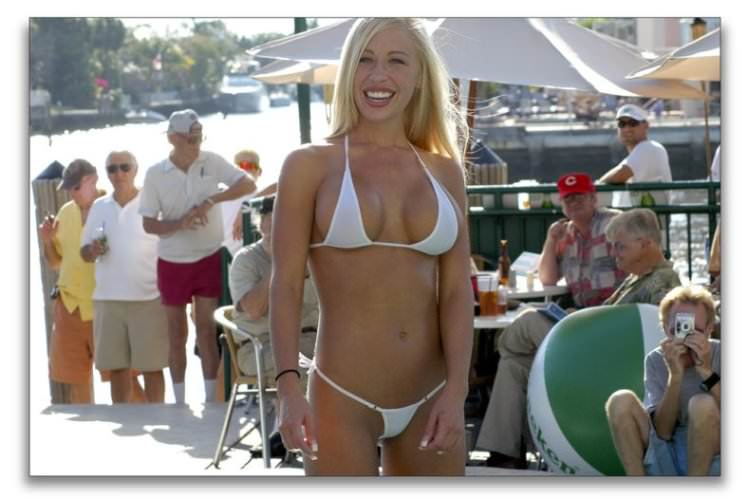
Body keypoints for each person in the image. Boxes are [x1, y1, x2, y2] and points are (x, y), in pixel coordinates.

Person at [270, 18, 473, 475]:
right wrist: (287, 388)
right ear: (347, 72)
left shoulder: (444, 171)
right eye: (365, 59)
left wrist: (457, 390)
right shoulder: (309, 165)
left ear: (419, 76)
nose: (378, 75)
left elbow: (456, 291)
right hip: (342, 395)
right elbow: (285, 285)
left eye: (396, 61)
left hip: (432, 393)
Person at [477, 203, 680, 469]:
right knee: (513, 365)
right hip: (591, 351)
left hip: (604, 359)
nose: (614, 254)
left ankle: (489, 357)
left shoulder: (663, 281)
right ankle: (505, 454)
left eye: (620, 247)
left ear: (646, 244)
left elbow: (652, 331)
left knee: (528, 320)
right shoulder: (637, 278)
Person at [139, 109, 257, 405]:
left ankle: (210, 401)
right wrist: (180, 223)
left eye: (200, 137)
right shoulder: (155, 173)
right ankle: (179, 403)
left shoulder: (211, 161)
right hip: (172, 262)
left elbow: (249, 184)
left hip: (208, 256)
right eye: (191, 139)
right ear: (172, 139)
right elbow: (148, 224)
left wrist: (211, 200)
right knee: (176, 333)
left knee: (206, 330)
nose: (197, 144)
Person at [228, 194, 318, 448]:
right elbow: (254, 310)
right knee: (309, 372)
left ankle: (355, 439)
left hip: (310, 340)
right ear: (262, 224)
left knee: (355, 366)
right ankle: (297, 438)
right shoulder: (246, 260)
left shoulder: (311, 257)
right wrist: (281, 263)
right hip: (262, 346)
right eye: (274, 219)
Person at [80, 151, 169, 403]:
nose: (118, 173)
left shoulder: (153, 203)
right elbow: (84, 252)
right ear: (106, 174)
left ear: (135, 170)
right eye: (112, 169)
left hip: (148, 298)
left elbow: (171, 247)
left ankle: (157, 418)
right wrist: (91, 250)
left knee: (153, 368)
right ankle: (123, 418)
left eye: (124, 167)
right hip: (108, 300)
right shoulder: (99, 206)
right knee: (117, 369)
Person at [606, 285, 720, 476]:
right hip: (669, 447)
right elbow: (663, 431)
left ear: (709, 329)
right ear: (666, 329)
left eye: (695, 330)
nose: (686, 336)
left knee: (702, 404)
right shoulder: (656, 359)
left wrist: (707, 372)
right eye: (679, 328)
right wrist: (675, 376)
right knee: (620, 400)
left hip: (715, 450)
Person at [598, 104, 673, 207]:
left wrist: (595, 186)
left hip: (644, 217)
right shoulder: (635, 157)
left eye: (633, 123)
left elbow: (619, 175)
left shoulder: (650, 147)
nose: (627, 129)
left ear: (646, 125)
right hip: (634, 216)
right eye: (622, 124)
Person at [222, 149, 278, 255]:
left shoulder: (261, 197)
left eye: (251, 166)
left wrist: (246, 207)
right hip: (220, 259)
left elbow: (283, 183)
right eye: (241, 166)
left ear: (259, 171)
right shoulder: (221, 196)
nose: (246, 170)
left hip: (246, 259)